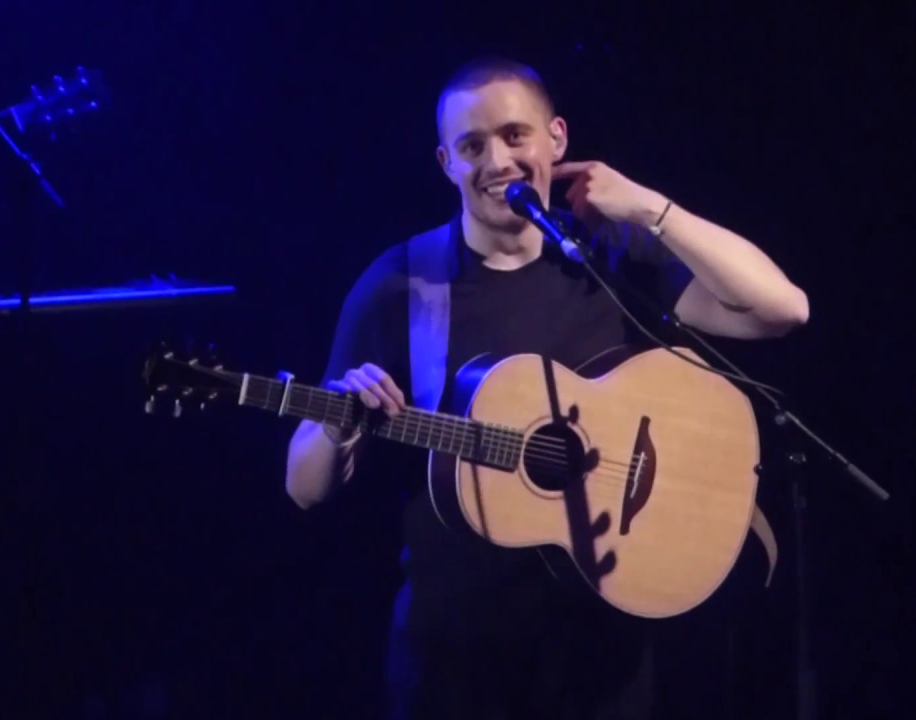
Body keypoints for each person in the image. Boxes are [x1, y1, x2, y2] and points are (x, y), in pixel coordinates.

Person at [285, 57, 810, 719]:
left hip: (603, 658)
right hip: (454, 662)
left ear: (556, 139)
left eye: (514, 135)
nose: (497, 161)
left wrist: (647, 208)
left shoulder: (608, 257)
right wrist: (336, 427)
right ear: (446, 162)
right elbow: (303, 487)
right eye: (472, 147)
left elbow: (782, 309)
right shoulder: (402, 286)